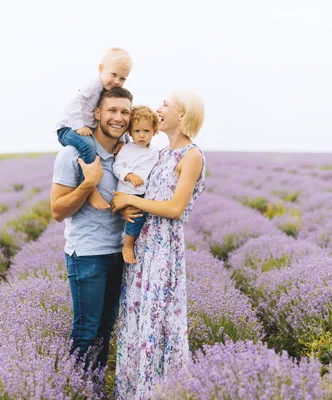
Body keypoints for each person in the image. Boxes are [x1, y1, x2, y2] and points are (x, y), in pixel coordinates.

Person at [111, 90, 206, 399]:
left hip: (164, 251)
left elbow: (176, 209)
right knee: (137, 320)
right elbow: (146, 197)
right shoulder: (162, 154)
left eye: (166, 104)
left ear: (183, 115)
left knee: (160, 321)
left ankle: (161, 392)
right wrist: (127, 204)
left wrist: (131, 199)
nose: (158, 109)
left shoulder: (191, 155)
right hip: (145, 246)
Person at [50, 87, 133, 370]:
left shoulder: (127, 156)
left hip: (118, 254)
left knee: (104, 333)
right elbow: (57, 211)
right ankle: (76, 388)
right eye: (112, 110)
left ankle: (94, 387)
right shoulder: (72, 154)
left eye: (125, 112)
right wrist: (88, 184)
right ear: (97, 113)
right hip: (87, 255)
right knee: (86, 333)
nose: (118, 118)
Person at [54, 47, 132, 210]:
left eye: (122, 78)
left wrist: (124, 141)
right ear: (101, 69)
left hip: (116, 235)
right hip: (68, 128)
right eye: (114, 75)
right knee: (88, 146)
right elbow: (74, 103)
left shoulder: (107, 91)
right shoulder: (93, 85)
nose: (117, 81)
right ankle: (92, 190)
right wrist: (78, 127)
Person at [112, 105, 160, 264]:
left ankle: (142, 245)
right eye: (137, 131)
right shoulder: (126, 149)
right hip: (129, 192)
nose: (141, 135)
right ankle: (128, 245)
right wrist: (129, 175)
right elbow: (117, 167)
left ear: (154, 131)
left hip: (145, 192)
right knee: (136, 217)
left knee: (148, 219)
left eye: (146, 131)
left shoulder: (155, 151)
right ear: (130, 132)